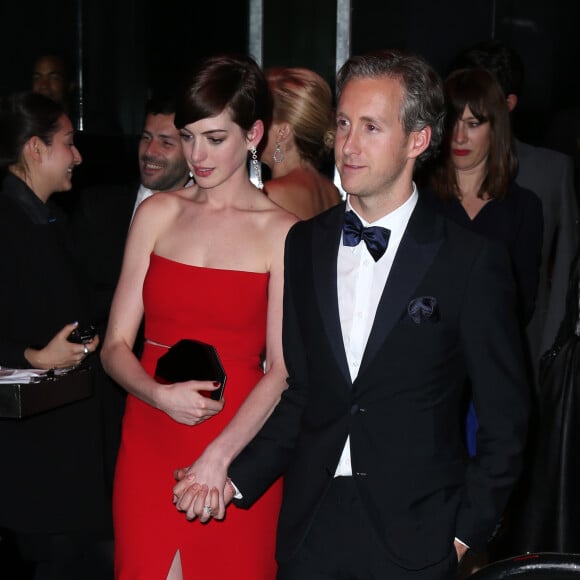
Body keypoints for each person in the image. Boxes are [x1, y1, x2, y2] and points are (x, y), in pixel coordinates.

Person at [173, 49, 531, 579]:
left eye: (371, 127)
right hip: (312, 529)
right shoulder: (305, 245)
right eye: (343, 123)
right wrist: (235, 478)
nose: (349, 145)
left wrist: (463, 536)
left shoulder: (469, 261)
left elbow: (507, 420)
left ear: (418, 140)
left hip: (417, 537)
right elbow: (302, 392)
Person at [100, 54, 297, 579]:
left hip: (237, 440)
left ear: (253, 133)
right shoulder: (157, 214)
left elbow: (280, 370)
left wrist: (220, 459)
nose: (197, 154)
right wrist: (157, 394)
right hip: (149, 435)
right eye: (188, 137)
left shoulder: (283, 232)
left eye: (215, 138)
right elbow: (115, 345)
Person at [0, 92, 110, 579]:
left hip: (68, 445)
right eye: (68, 143)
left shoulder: (53, 218)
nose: (78, 156)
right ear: (35, 149)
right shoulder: (6, 222)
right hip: (34, 460)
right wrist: (32, 354)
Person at [69, 94, 192, 490]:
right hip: (97, 399)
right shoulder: (96, 206)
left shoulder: (207, 221)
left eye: (166, 142)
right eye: (145, 138)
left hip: (182, 395)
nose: (151, 152)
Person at [452, 39, 579, 375]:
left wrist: (551, 353)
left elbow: (566, 268)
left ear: (507, 104)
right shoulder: (431, 174)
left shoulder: (549, 171)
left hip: (523, 354)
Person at [426, 67, 543, 328]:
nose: (459, 137)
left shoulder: (523, 207)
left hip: (490, 353)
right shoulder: (420, 203)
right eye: (453, 123)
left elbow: (524, 302)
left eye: (473, 124)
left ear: (495, 129)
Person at [261, 67, 341, 219]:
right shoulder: (331, 192)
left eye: (260, 119)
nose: (252, 128)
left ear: (283, 131)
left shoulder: (273, 193)